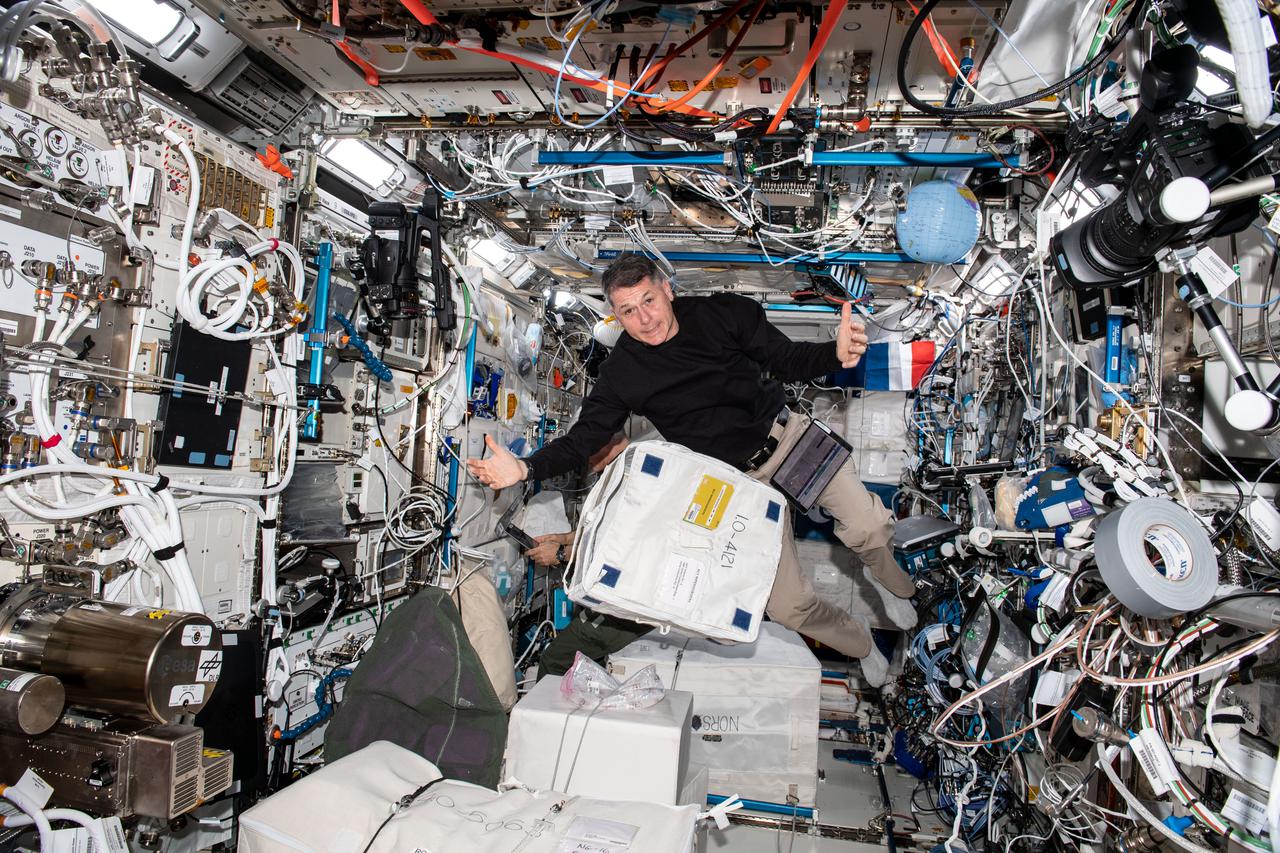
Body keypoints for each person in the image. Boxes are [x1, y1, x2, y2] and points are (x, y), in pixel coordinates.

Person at [467, 254, 916, 687]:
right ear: (616, 318)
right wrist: (525, 468)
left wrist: (833, 355)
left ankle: (894, 586)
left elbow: (786, 358)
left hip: (788, 441)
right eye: (628, 311)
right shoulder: (623, 372)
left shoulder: (723, 314)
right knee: (787, 607)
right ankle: (860, 644)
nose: (644, 319)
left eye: (648, 300)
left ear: (667, 290)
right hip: (736, 486)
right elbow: (584, 439)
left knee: (868, 528)